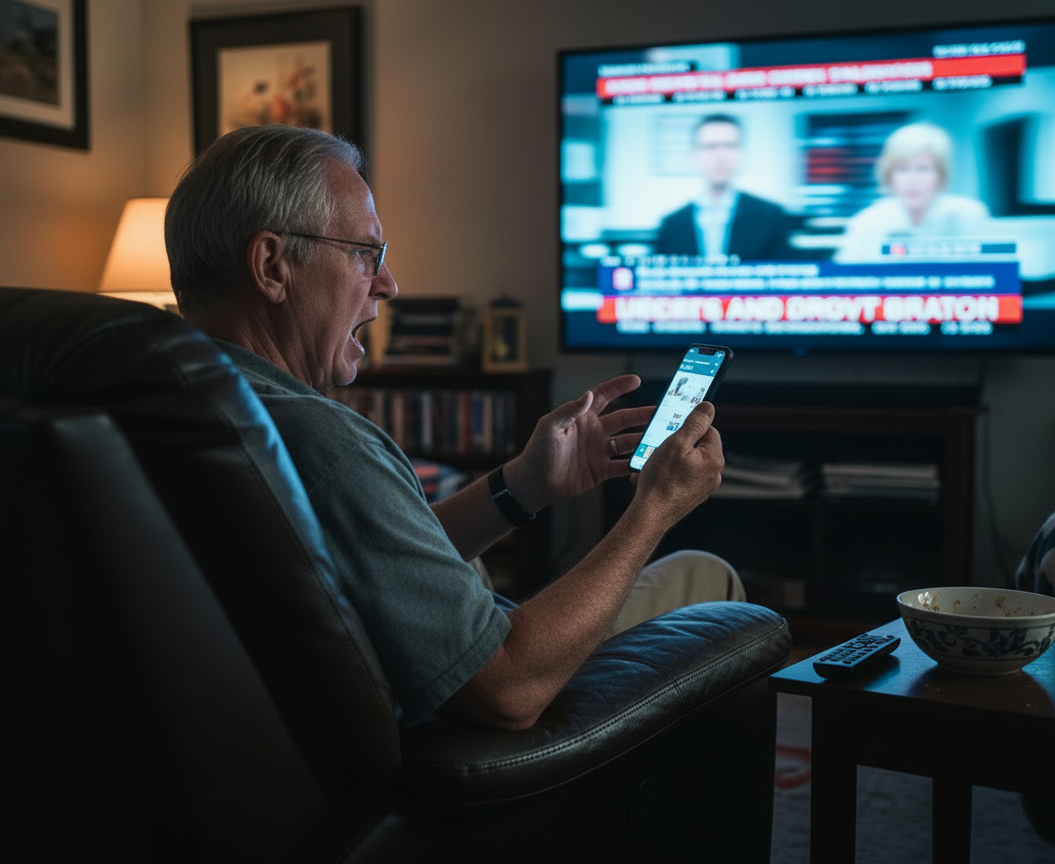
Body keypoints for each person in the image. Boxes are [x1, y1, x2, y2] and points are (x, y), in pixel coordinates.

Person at [164, 124, 744, 731]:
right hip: (467, 747)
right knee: (707, 574)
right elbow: (510, 688)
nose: (388, 285)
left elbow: (373, 557)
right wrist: (655, 507)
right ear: (272, 266)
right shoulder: (321, 443)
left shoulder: (170, 408)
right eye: (366, 254)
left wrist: (524, 486)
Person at [833, 122, 990, 263]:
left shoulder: (970, 216)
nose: (912, 180)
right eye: (903, 169)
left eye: (923, 169)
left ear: (941, 174)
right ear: (889, 174)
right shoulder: (866, 223)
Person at [654, 113, 797, 261]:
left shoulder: (772, 217)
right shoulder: (671, 224)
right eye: (710, 147)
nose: (720, 155)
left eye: (729, 146)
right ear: (694, 155)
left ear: (741, 153)